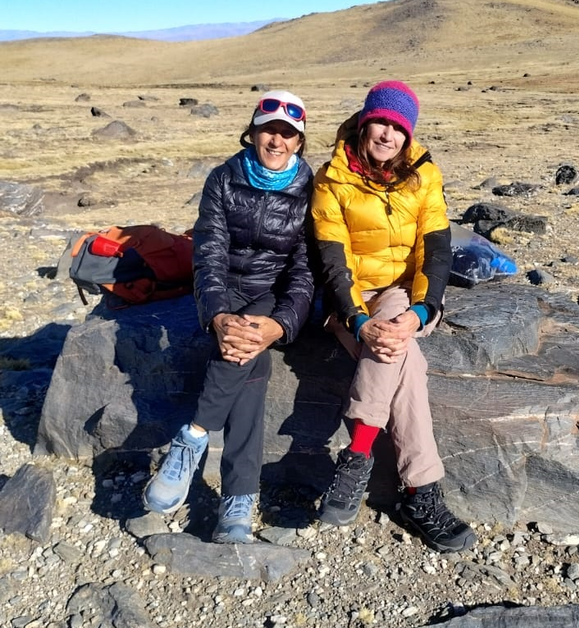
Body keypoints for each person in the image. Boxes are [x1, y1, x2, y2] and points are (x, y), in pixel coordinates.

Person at [311, 80, 476, 553]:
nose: (387, 135)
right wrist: (357, 321)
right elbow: (331, 258)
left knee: (398, 338)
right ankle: (420, 494)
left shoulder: (425, 177)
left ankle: (356, 456)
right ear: (364, 123)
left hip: (403, 294)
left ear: (409, 135)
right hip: (352, 298)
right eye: (380, 122)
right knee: (409, 363)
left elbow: (436, 253)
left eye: (398, 127)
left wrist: (424, 310)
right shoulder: (331, 180)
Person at [143, 90, 314, 543]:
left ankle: (193, 437)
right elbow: (209, 254)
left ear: (299, 141)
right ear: (252, 132)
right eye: (268, 130)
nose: (277, 141)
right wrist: (217, 315)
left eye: (288, 133)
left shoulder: (311, 191)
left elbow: (304, 270)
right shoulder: (223, 178)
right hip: (227, 291)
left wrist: (280, 324)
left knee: (247, 345)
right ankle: (238, 500)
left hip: (270, 294)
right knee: (249, 364)